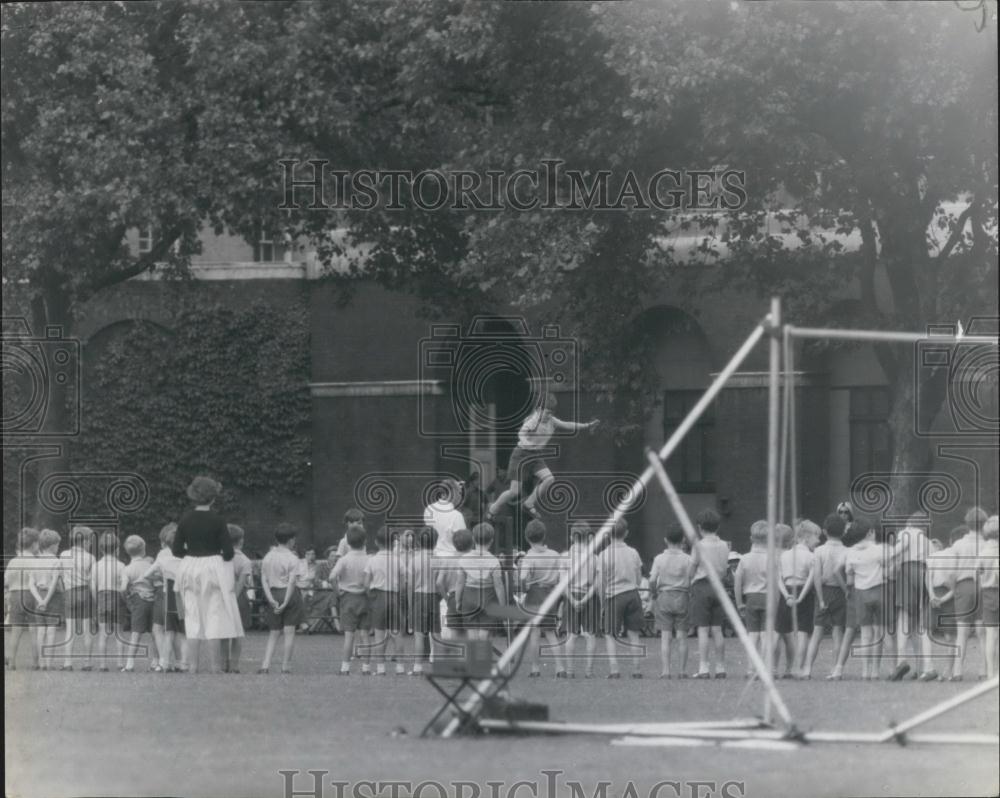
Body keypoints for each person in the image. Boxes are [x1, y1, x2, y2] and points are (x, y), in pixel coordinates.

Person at [172, 476, 244, 673]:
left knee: (192, 616)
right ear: (213, 498)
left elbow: (176, 550)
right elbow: (229, 553)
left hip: (190, 567)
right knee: (214, 615)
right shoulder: (218, 520)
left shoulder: (185, 519)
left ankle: (193, 667)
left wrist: (192, 554)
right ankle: (215, 667)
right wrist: (215, 555)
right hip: (213, 568)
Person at [487, 393, 598, 520]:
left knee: (549, 479)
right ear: (539, 410)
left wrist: (587, 425)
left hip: (535, 455)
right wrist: (526, 442)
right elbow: (521, 433)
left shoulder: (551, 420)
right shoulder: (533, 420)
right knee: (514, 492)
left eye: (551, 413)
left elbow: (568, 424)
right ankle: (493, 508)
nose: (549, 416)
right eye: (546, 413)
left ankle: (528, 503)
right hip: (521, 455)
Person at [596, 517, 644, 679]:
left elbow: (601, 582)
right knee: (633, 633)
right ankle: (637, 670)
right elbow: (638, 577)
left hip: (613, 596)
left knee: (610, 634)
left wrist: (602, 602)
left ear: (608, 535)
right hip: (632, 594)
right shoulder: (634, 552)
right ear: (627, 533)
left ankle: (614, 670)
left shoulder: (603, 555)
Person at [804, 514, 849, 680]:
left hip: (824, 590)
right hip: (841, 593)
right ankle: (836, 670)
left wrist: (821, 598)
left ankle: (807, 669)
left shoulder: (819, 550)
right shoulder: (847, 551)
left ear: (824, 531)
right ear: (844, 532)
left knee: (817, 632)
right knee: (838, 631)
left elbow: (816, 576)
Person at [518, 519, 566, 678]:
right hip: (550, 594)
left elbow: (523, 577)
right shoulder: (555, 555)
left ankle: (535, 668)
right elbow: (561, 576)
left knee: (535, 633)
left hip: (534, 594)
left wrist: (524, 586)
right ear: (544, 535)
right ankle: (560, 668)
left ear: (527, 537)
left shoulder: (528, 557)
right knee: (551, 632)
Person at [888, 513, 933, 681]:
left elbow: (898, 550)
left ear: (910, 523)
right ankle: (922, 667)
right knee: (918, 624)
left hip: (907, 573)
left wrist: (889, 558)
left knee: (903, 618)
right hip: (923, 574)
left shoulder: (907, 533)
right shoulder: (927, 541)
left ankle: (901, 660)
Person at [687, 508, 731, 679]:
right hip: (719, 587)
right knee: (717, 629)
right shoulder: (724, 545)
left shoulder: (699, 546)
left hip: (702, 585)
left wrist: (689, 580)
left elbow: (692, 568)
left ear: (699, 527)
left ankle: (703, 668)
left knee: (703, 630)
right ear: (717, 526)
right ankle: (720, 667)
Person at [259, 523, 305, 674]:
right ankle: (286, 666)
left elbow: (264, 579)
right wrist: (285, 601)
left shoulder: (268, 556)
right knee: (289, 631)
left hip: (273, 593)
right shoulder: (293, 558)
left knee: (273, 632)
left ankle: (265, 665)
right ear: (291, 540)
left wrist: (270, 598)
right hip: (289, 594)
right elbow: (292, 582)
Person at [649, 524, 693, 679]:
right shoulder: (688, 559)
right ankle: (682, 671)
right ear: (683, 540)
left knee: (665, 637)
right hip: (682, 596)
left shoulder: (659, 558)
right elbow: (691, 579)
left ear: (665, 540)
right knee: (682, 637)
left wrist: (654, 594)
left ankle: (666, 671)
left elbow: (652, 580)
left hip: (664, 596)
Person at [845, 518, 887, 680]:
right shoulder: (878, 550)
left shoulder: (851, 552)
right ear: (870, 532)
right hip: (878, 591)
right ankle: (876, 670)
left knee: (865, 635)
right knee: (878, 634)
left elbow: (849, 576)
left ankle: (865, 671)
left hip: (861, 593)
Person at [951, 506, 988, 681]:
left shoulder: (958, 544)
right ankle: (983, 671)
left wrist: (954, 588)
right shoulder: (987, 544)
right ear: (984, 524)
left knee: (962, 632)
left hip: (963, 586)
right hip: (983, 587)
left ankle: (957, 671)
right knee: (982, 632)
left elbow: (952, 571)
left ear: (967, 523)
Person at [778, 519, 819, 678]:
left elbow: (779, 578)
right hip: (804, 592)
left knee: (785, 631)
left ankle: (785, 667)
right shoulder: (811, 556)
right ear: (806, 537)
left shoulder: (785, 555)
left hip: (786, 592)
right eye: (816, 536)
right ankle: (798, 668)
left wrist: (786, 594)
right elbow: (811, 578)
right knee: (803, 633)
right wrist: (801, 597)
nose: (818, 540)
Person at [143, 523, 185, 672]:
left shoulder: (163, 555)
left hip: (164, 592)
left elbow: (150, 573)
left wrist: (160, 576)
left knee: (159, 628)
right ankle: (179, 661)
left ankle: (161, 660)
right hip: (180, 593)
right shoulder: (185, 554)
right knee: (177, 630)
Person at [455, 522, 506, 642]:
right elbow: (498, 586)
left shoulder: (463, 559)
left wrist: (458, 600)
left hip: (468, 595)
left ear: (473, 539)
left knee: (471, 631)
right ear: (491, 541)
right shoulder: (494, 561)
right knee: (484, 631)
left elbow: (459, 583)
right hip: (488, 597)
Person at [330, 523, 370, 675]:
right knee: (365, 634)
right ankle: (366, 667)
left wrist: (338, 591)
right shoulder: (368, 559)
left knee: (349, 635)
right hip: (364, 597)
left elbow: (332, 577)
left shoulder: (344, 559)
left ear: (347, 542)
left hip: (347, 597)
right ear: (365, 541)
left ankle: (345, 667)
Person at [365, 525, 405, 676]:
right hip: (394, 596)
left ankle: (380, 668)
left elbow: (365, 583)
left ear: (376, 542)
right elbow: (403, 582)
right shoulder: (398, 560)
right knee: (396, 634)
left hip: (378, 596)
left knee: (379, 634)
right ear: (393, 543)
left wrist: (371, 595)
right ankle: (400, 667)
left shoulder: (372, 560)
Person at [563, 521, 599, 679]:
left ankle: (570, 671)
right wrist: (584, 599)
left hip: (571, 596)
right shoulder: (594, 557)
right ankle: (589, 671)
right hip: (589, 597)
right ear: (589, 538)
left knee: (571, 635)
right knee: (590, 635)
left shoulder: (565, 556)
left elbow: (562, 583)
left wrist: (573, 600)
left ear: (572, 537)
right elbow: (597, 583)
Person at [734, 521, 770, 678]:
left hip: (750, 598)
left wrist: (739, 603)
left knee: (752, 636)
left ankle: (750, 669)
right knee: (765, 636)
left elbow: (738, 582)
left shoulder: (744, 559)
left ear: (751, 538)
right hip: (768, 597)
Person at [60, 525, 96, 671]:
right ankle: (87, 663)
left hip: (70, 593)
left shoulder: (63, 555)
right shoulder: (90, 557)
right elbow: (92, 581)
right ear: (85, 541)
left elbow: (61, 577)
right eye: (90, 541)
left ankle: (67, 663)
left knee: (70, 630)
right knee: (87, 629)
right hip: (85, 592)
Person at [925, 530, 960, 678]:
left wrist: (933, 596)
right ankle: (947, 671)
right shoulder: (955, 557)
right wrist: (938, 597)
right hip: (945, 595)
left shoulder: (934, 557)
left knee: (928, 633)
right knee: (948, 636)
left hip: (938, 594)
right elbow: (955, 584)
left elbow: (928, 578)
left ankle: (930, 668)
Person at [92, 532, 128, 671]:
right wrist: (124, 599)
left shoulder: (96, 565)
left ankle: (102, 665)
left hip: (101, 596)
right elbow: (123, 586)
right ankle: (120, 663)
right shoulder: (121, 565)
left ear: (101, 549)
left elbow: (93, 586)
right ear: (117, 549)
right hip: (117, 596)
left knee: (103, 633)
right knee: (119, 632)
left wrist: (97, 601)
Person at [5, 527, 40, 670]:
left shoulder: (13, 561)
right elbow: (37, 580)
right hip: (30, 595)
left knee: (16, 631)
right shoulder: (35, 561)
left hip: (14, 595)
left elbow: (6, 581)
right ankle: (35, 663)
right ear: (33, 545)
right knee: (34, 630)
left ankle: (12, 662)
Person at [30, 528, 65, 670]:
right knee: (51, 631)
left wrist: (39, 600)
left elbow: (30, 584)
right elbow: (54, 583)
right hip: (53, 598)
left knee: (40, 631)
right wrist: (46, 601)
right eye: (57, 545)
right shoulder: (56, 562)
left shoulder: (35, 561)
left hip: (38, 595)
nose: (58, 548)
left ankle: (42, 663)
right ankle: (49, 664)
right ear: (52, 546)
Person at [408, 526, 440, 675]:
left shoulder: (414, 560)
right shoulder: (439, 560)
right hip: (434, 596)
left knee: (419, 634)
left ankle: (417, 667)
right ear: (435, 541)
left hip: (419, 596)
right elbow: (441, 583)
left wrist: (409, 605)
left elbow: (410, 585)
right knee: (436, 633)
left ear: (419, 541)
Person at [121, 535, 156, 673]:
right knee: (155, 633)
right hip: (153, 599)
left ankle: (129, 664)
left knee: (135, 633)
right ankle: (156, 661)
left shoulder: (128, 569)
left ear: (127, 552)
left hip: (137, 601)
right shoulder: (150, 565)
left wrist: (127, 599)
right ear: (144, 549)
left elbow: (123, 588)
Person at [224, 524, 253, 672]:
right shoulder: (244, 560)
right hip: (238, 597)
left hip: (222, 595)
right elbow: (241, 583)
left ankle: (223, 664)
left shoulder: (219, 556)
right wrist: (233, 599)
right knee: (237, 634)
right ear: (240, 541)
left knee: (222, 633)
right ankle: (234, 666)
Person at [439, 528, 475, 640]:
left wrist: (446, 598)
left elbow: (439, 582)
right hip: (471, 597)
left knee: (455, 636)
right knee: (472, 634)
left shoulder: (448, 560)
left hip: (453, 597)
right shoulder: (473, 560)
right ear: (472, 543)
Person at [977, 515, 999, 679]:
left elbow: (976, 575)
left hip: (988, 593)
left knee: (991, 634)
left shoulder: (983, 553)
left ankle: (991, 673)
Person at [424, 479, 467, 557]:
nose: (460, 497)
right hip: (452, 558)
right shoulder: (457, 515)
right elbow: (464, 542)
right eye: (459, 493)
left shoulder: (429, 509)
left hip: (433, 556)